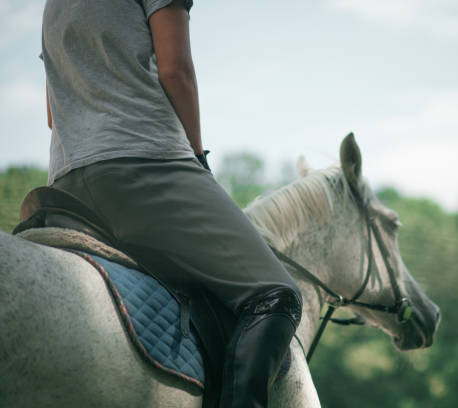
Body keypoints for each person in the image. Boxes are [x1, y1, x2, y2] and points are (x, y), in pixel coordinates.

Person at [40, 0, 302, 407]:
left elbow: (54, 114)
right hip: (142, 165)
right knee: (277, 293)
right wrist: (198, 158)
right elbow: (175, 70)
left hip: (66, 180)